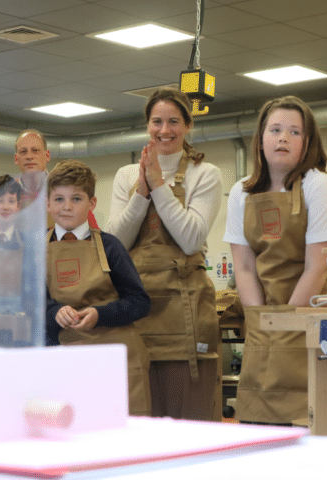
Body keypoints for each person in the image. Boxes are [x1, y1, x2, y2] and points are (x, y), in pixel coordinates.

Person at [224, 95, 327, 425]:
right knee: (255, 420)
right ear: (261, 138)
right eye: (275, 129)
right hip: (262, 318)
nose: (283, 138)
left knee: (306, 419)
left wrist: (288, 321)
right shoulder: (241, 192)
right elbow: (244, 267)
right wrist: (260, 320)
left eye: (294, 132)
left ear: (308, 142)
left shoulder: (319, 186)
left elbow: (318, 267)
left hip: (307, 315)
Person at [107, 88, 222, 420]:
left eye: (174, 121)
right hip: (137, 307)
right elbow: (115, 242)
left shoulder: (206, 173)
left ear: (187, 126)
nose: (164, 130)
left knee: (188, 416)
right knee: (142, 416)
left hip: (184, 310)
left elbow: (190, 239)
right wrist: (141, 193)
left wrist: (158, 185)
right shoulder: (127, 176)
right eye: (157, 121)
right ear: (147, 126)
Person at [45, 159, 151, 415]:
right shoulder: (36, 250)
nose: (66, 207)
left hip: (111, 359)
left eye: (76, 199)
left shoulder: (110, 246)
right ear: (47, 204)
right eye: (58, 199)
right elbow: (31, 305)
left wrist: (100, 314)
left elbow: (140, 302)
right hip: (62, 359)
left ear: (92, 203)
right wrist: (54, 312)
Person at [14, 129, 98, 227]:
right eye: (23, 151)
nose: (29, 156)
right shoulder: (7, 194)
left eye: (35, 151)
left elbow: (91, 236)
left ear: (47, 155)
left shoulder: (70, 190)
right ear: (16, 158)